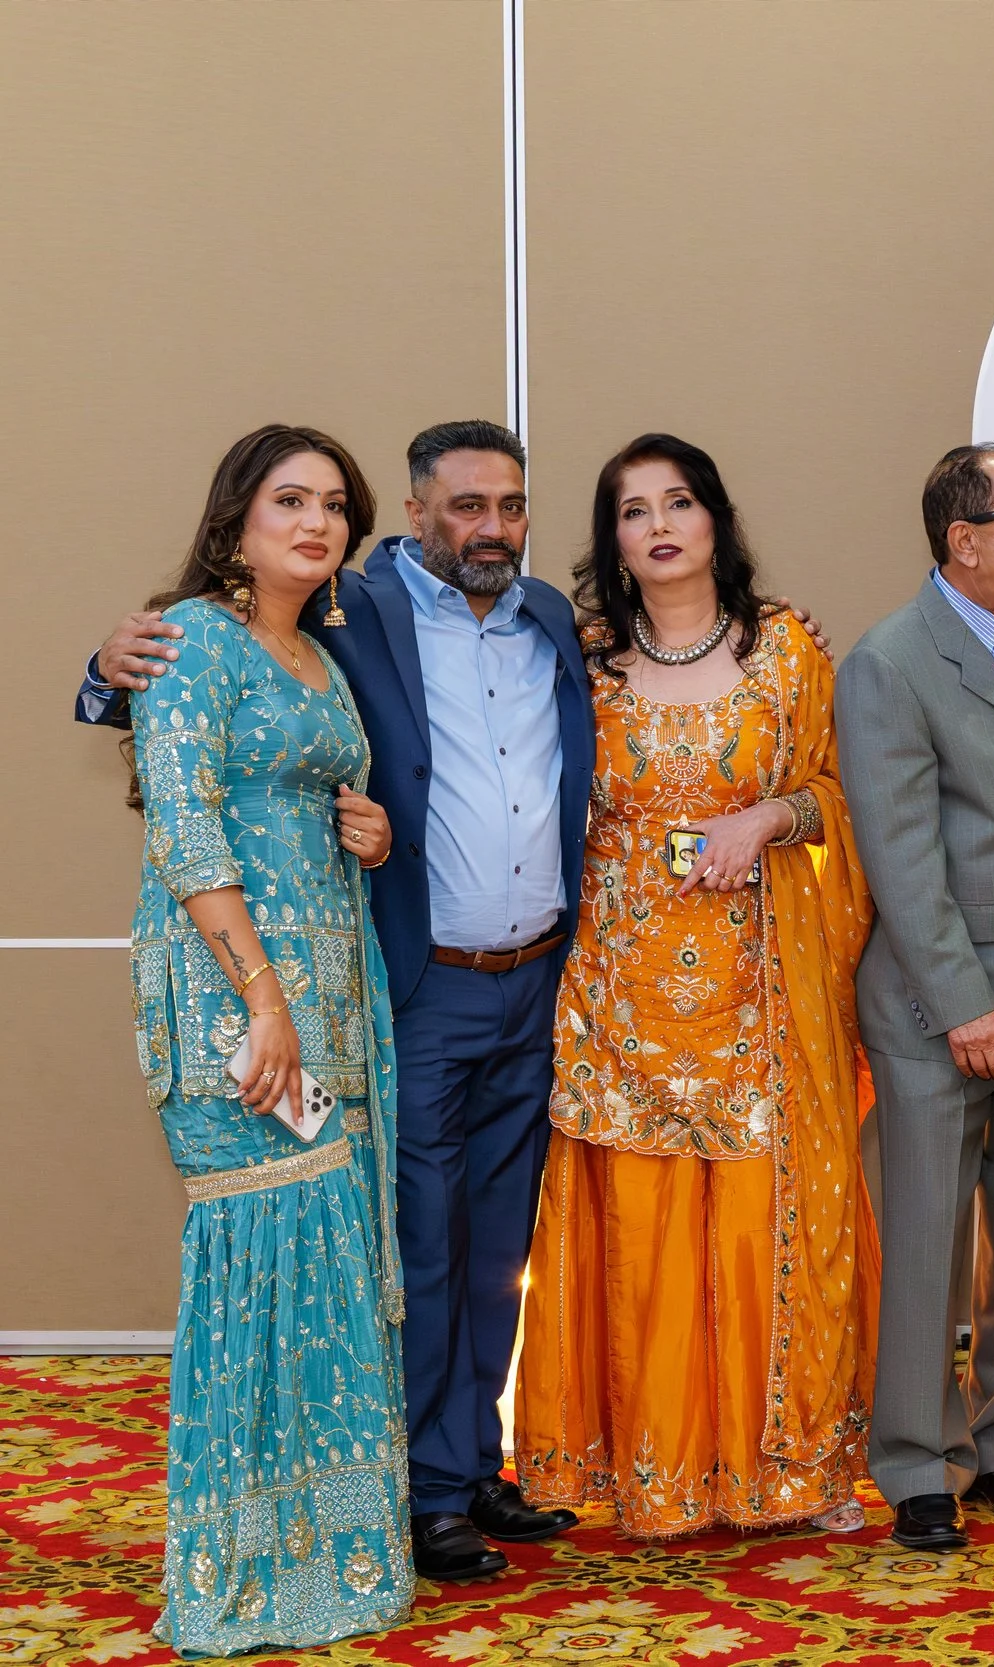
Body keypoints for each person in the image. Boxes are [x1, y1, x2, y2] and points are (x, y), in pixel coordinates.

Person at [84, 420, 593, 1583]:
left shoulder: (551, 618)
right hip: (411, 980)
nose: (490, 527)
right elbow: (183, 713)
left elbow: (323, 762)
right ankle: (417, 1492)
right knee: (407, 1241)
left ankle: (469, 1463)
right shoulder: (349, 608)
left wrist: (359, 823)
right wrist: (105, 664)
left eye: (509, 505)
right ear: (416, 514)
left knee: (493, 1247)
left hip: (527, 980)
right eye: (464, 505)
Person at [514, 435, 879, 1536]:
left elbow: (831, 791)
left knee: (761, 1219)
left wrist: (767, 815)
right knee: (636, 1225)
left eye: (680, 501)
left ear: (716, 519)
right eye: (634, 510)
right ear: (612, 540)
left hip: (761, 988)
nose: (660, 523)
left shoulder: (790, 651)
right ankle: (644, 1471)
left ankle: (782, 1469)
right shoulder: (580, 661)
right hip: (620, 991)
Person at [125, 425, 414, 1652]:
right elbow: (184, 827)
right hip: (232, 1011)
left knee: (325, 1272)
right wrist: (264, 998)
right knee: (260, 1270)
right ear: (235, 514)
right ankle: (239, 1570)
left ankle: (331, 1554)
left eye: (335, 504)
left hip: (327, 1004)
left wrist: (368, 832)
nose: (317, 521)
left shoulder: (316, 656)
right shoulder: (193, 638)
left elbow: (306, 795)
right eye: (289, 498)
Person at [835, 443, 994, 1550]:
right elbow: (897, 855)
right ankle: (914, 1462)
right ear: (965, 538)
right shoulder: (890, 660)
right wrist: (963, 999)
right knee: (929, 1242)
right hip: (941, 1006)